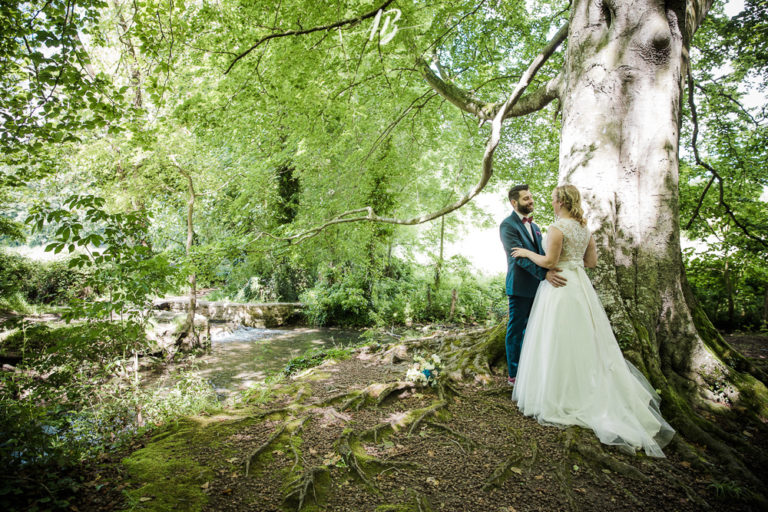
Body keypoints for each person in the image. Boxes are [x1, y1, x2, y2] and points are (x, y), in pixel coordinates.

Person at [510, 184, 675, 457]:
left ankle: (560, 393)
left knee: (557, 337)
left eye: (552, 199)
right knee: (583, 338)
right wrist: (571, 261)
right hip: (579, 286)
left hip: (559, 287)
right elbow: (591, 262)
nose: (550, 203)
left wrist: (528, 253)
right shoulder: (585, 229)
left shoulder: (556, 228)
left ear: (561, 201)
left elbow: (550, 260)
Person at [499, 184, 566, 386]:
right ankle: (515, 375)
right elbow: (518, 257)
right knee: (516, 331)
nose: (531, 201)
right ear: (514, 202)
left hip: (540, 288)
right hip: (520, 287)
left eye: (531, 197)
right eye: (526, 198)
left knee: (535, 330)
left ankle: (533, 371)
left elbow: (542, 255)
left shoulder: (536, 228)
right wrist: (544, 274)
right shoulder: (507, 225)